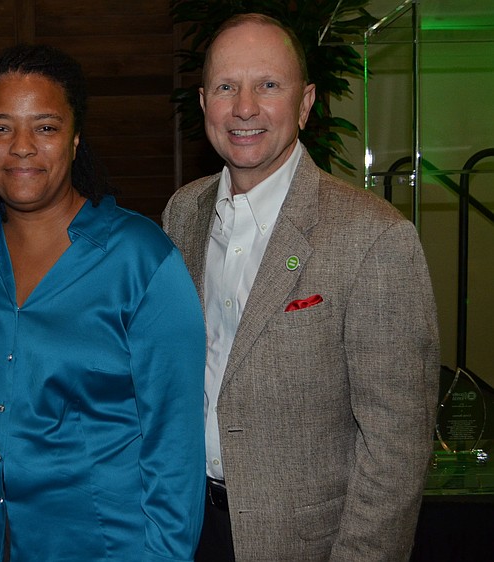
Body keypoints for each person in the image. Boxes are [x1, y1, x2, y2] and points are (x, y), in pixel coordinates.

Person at [162, 13, 440, 561]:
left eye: (268, 85)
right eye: (226, 87)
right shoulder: (182, 213)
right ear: (203, 103)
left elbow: (397, 450)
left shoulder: (374, 237)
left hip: (306, 545)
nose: (244, 107)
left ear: (306, 102)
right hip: (187, 529)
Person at [0, 44, 206, 561]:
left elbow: (175, 442)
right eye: (0, 127)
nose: (22, 147)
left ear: (75, 139)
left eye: (46, 127)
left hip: (101, 544)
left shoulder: (141, 259)